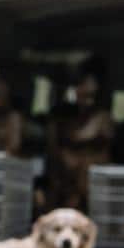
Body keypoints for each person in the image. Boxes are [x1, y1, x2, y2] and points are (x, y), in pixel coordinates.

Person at [45, 59, 114, 211]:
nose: (84, 94)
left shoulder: (102, 117)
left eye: (90, 93)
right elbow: (54, 148)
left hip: (93, 179)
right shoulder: (61, 117)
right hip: (66, 178)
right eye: (80, 87)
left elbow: (92, 139)